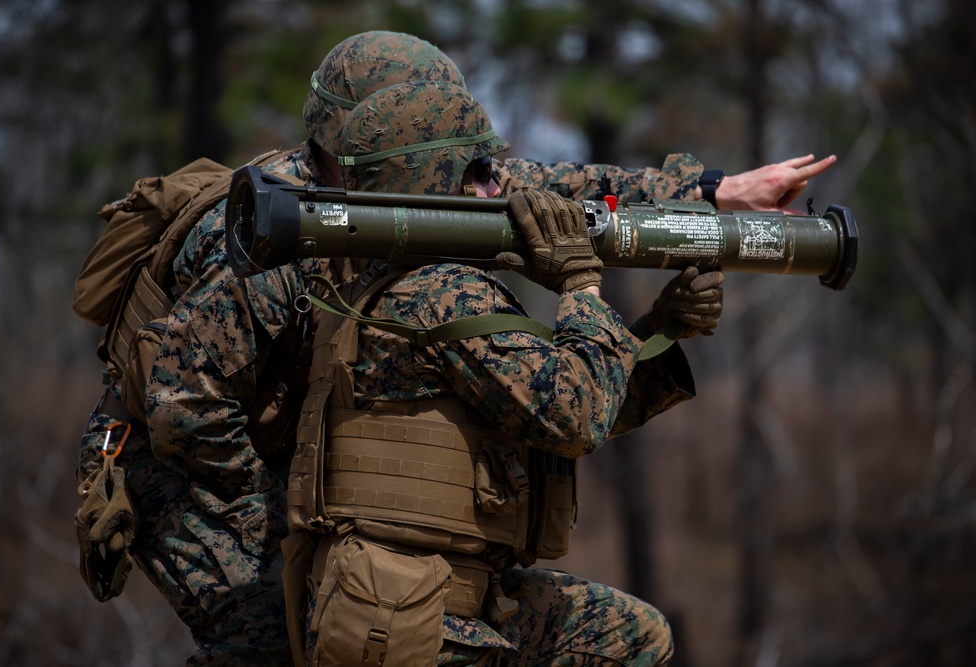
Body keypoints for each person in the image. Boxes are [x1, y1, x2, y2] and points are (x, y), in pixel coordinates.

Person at [74, 28, 832, 665]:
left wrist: (713, 192)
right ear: (368, 141)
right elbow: (180, 395)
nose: (478, 185)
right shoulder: (282, 241)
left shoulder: (406, 182)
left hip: (277, 421)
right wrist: (280, 516)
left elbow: (554, 190)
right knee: (290, 627)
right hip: (169, 458)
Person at [290, 79, 724, 666]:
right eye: (478, 171)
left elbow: (548, 403)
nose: (497, 187)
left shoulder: (397, 284)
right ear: (428, 180)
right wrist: (579, 282)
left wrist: (659, 325)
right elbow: (574, 417)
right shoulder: (440, 294)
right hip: (410, 623)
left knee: (630, 636)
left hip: (439, 596)